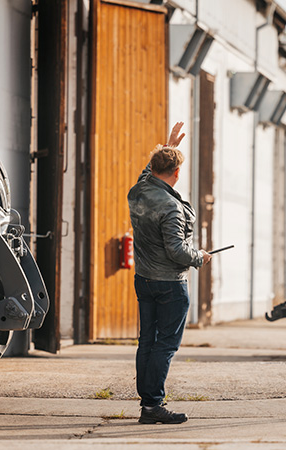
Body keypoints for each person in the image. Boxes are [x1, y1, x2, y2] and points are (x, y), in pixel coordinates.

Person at [127, 122, 212, 425]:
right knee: (165, 345)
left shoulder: (137, 192)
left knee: (147, 340)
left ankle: (147, 401)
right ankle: (152, 405)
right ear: (176, 174)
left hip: (144, 279)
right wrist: (200, 257)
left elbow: (146, 173)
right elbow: (177, 251)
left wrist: (166, 146)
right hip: (170, 285)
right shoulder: (170, 207)